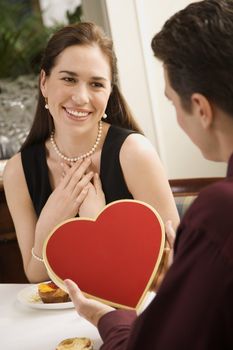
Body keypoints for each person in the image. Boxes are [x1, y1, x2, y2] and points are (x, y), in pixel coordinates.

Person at [64, 1, 233, 349]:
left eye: (171, 102)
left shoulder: (220, 213)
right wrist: (188, 280)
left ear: (200, 108)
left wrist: (108, 317)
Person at [3, 22, 179, 283]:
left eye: (96, 84)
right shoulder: (18, 171)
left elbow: (176, 263)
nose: (82, 97)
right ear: (44, 83)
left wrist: (98, 225)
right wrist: (47, 226)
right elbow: (35, 277)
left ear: (109, 92)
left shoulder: (134, 154)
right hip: (57, 321)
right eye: (69, 79)